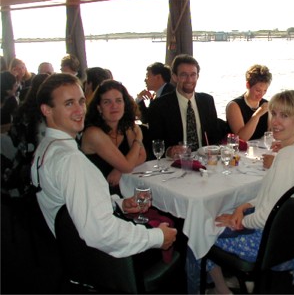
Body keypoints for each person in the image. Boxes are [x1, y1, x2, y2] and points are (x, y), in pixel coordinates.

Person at [30, 73, 177, 257]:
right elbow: (100, 232)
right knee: (171, 229)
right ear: (47, 110)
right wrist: (157, 237)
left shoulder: (46, 148)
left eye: (81, 101)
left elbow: (76, 203)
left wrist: (120, 203)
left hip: (66, 249)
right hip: (95, 261)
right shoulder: (70, 160)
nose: (79, 110)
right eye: (69, 103)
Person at [203, 90, 294, 294]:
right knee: (229, 212)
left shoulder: (287, 158)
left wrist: (237, 221)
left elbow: (265, 218)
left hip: (270, 247)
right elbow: (274, 196)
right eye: (274, 113)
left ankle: (220, 289)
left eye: (284, 116)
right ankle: (234, 278)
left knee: (202, 229)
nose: (275, 121)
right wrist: (243, 207)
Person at [147, 54, 227, 158]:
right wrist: (169, 151)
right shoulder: (159, 106)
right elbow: (154, 142)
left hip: (206, 162)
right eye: (184, 75)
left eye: (193, 75)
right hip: (175, 164)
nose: (189, 80)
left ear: (198, 76)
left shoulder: (207, 101)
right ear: (175, 77)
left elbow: (214, 136)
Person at [81, 79, 146, 195]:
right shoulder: (93, 133)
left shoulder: (126, 127)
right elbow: (127, 166)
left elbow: (141, 155)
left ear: (124, 104)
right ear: (99, 108)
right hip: (95, 194)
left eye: (118, 101)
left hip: (121, 190)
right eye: (107, 102)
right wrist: (138, 138)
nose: (114, 106)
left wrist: (119, 169)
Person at [4, 73, 50, 198]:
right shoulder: (48, 115)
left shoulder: (22, 110)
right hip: (41, 168)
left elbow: (14, 138)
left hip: (21, 164)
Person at [226, 64, 272, 141]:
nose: (261, 95)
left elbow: (271, 134)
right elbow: (241, 139)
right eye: (258, 90)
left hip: (261, 150)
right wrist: (257, 115)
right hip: (240, 151)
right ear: (248, 85)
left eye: (265, 90)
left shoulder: (266, 104)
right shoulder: (234, 105)